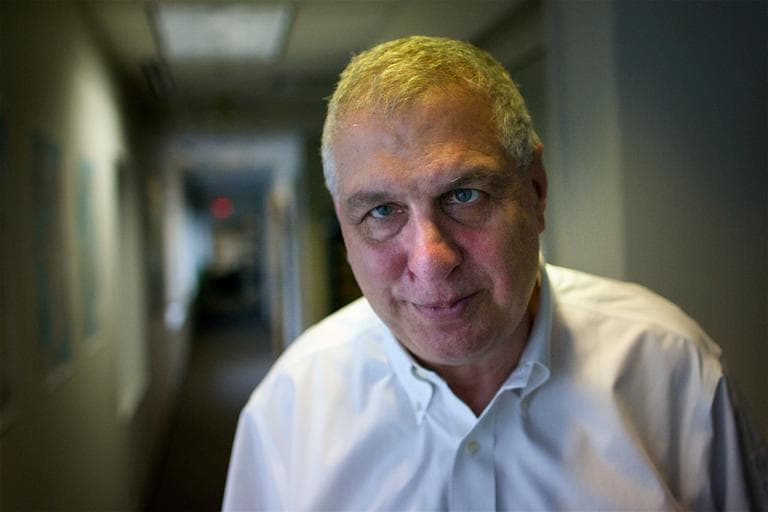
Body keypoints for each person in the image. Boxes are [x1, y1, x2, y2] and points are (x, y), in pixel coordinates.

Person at [223, 36, 750, 511]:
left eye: (465, 195)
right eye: (382, 212)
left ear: (536, 192)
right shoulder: (289, 410)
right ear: (344, 222)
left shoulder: (672, 369)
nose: (431, 258)